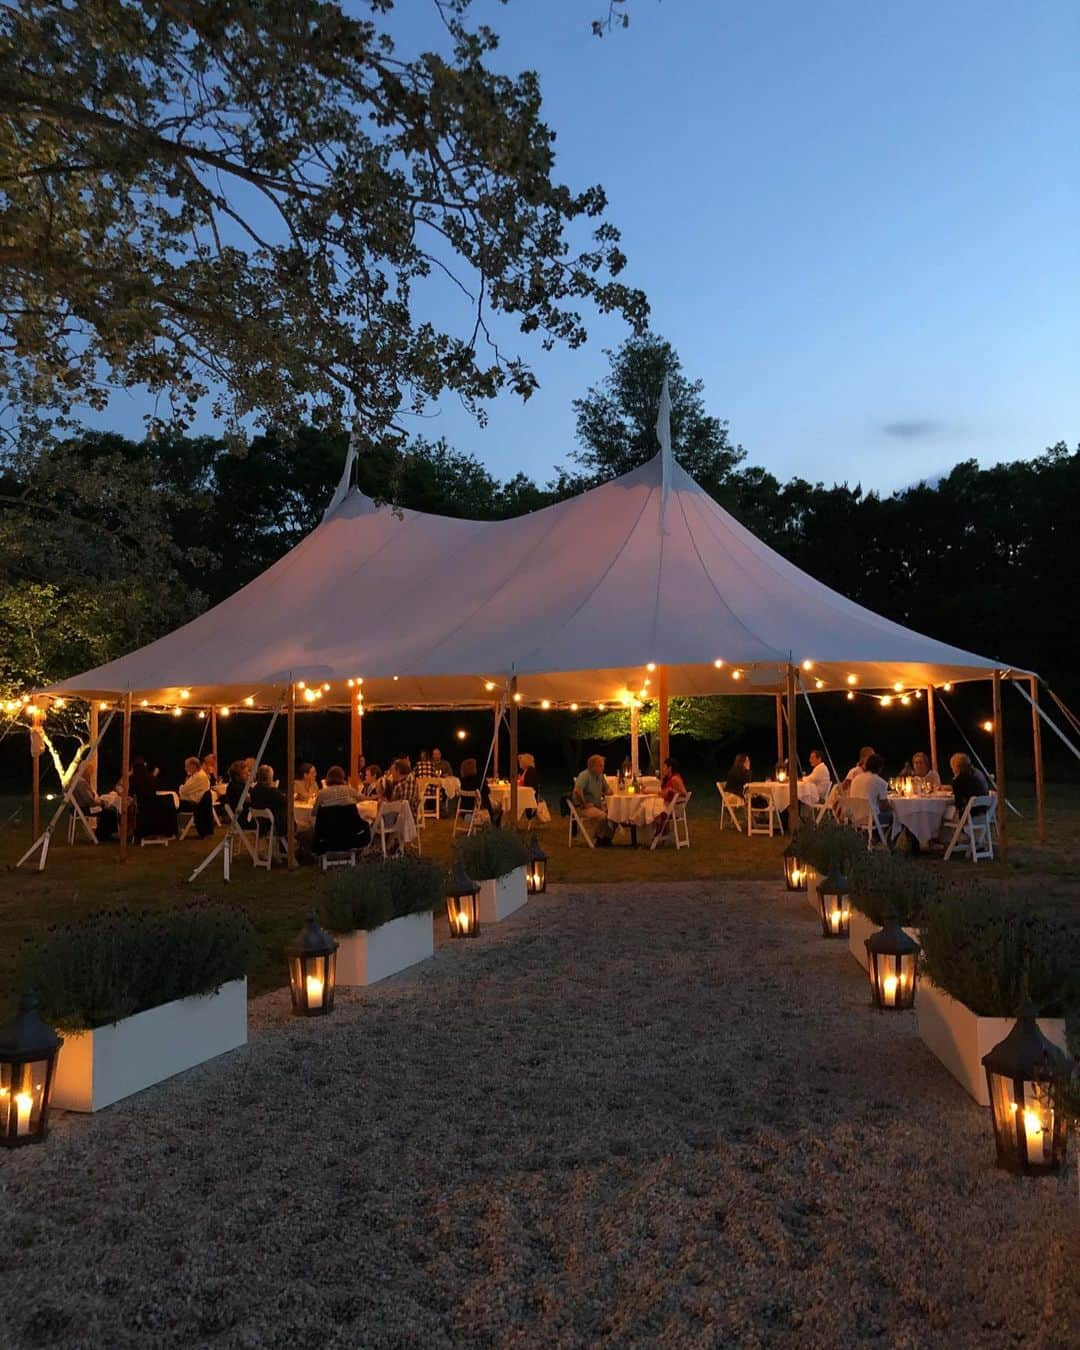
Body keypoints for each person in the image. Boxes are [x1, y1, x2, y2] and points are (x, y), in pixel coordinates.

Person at [129, 754, 178, 840]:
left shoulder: (133, 779)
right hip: (152, 804)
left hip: (143, 805)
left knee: (168, 800)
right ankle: (170, 831)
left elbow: (131, 793)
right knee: (169, 800)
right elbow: (154, 788)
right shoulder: (149, 777)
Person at [71, 761, 120, 841]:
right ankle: (104, 835)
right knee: (110, 810)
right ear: (85, 771)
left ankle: (103, 833)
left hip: (79, 807)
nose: (90, 775)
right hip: (84, 808)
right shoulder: (81, 782)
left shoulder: (75, 779)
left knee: (107, 809)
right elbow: (89, 800)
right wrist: (101, 803)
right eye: (89, 772)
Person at [572, 754, 614, 844]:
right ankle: (600, 838)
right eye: (600, 766)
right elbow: (578, 791)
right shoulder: (585, 775)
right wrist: (584, 804)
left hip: (597, 805)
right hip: (583, 807)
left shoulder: (600, 776)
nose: (602, 768)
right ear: (593, 766)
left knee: (614, 814)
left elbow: (607, 789)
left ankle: (606, 838)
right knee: (603, 816)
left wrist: (612, 790)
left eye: (603, 766)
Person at [849, 751, 893, 833]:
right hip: (871, 819)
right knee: (897, 816)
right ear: (880, 767)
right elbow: (883, 807)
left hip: (855, 817)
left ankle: (876, 837)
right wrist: (894, 809)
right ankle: (887, 840)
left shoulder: (856, 779)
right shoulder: (880, 782)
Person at [179, 755, 215, 837]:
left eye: (187, 766)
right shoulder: (196, 775)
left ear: (193, 766)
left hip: (194, 804)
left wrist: (182, 788)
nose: (185, 768)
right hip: (195, 802)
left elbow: (183, 790)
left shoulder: (199, 776)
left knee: (171, 806)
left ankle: (170, 830)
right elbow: (185, 790)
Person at [652, 756, 687, 838]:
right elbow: (662, 792)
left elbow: (684, 793)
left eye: (664, 767)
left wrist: (671, 790)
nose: (663, 769)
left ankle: (655, 834)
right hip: (669, 807)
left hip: (673, 810)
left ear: (670, 768)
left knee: (651, 809)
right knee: (651, 806)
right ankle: (657, 833)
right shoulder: (669, 779)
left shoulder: (675, 779)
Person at [250, 763, 288, 836]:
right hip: (277, 826)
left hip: (261, 824)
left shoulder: (254, 790)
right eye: (271, 777)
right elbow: (286, 801)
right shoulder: (271, 791)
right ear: (268, 778)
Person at [950, 752, 990, 818]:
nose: (952, 770)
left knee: (944, 813)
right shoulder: (978, 772)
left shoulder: (960, 779)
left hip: (970, 815)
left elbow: (958, 803)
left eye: (952, 768)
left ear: (957, 767)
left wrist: (955, 781)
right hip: (983, 812)